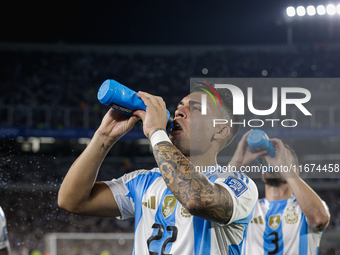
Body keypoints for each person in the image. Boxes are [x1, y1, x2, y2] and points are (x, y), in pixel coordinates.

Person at [58, 82, 260, 254]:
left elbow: (196, 199)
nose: (179, 111)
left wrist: (156, 131)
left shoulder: (238, 185)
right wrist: (104, 136)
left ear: (221, 130)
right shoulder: (143, 182)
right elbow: (72, 201)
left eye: (195, 108)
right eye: (180, 106)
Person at [228, 132, 330, 255]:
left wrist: (283, 165)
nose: (273, 161)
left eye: (282, 158)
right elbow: (214, 202)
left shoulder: (305, 210)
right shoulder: (246, 209)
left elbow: (320, 219)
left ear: (295, 172)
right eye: (268, 159)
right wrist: (236, 163)